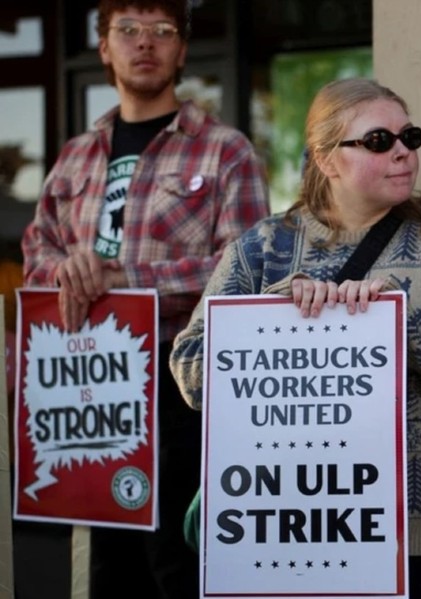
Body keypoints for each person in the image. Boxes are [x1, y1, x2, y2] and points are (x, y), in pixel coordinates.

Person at [169, 77, 421, 599]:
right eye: (380, 141)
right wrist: (274, 316)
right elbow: (192, 372)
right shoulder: (262, 250)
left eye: (411, 137)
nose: (404, 152)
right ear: (327, 158)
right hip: (292, 525)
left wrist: (401, 324)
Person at [20, 1, 270, 597]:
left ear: (182, 51)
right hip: (90, 376)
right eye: (127, 30)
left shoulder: (224, 150)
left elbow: (247, 269)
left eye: (163, 31)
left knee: (179, 566)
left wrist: (125, 277)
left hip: (179, 382)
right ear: (104, 47)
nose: (145, 43)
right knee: (110, 566)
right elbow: (37, 254)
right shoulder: (76, 155)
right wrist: (69, 270)